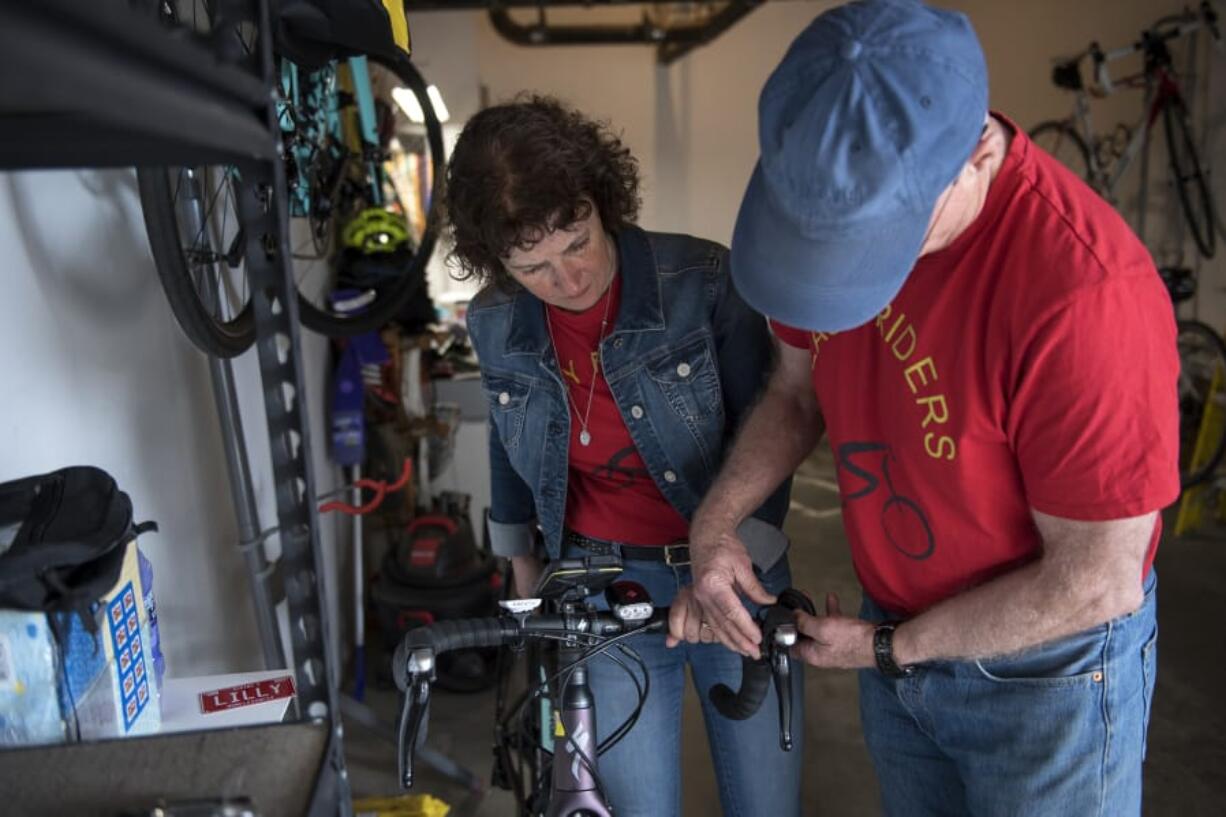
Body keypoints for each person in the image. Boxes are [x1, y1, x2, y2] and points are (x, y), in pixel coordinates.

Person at [668, 1, 1180, 815]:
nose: (850, 271)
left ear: (977, 152)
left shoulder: (1084, 297)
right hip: (895, 636)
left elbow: (1098, 580)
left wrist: (889, 648)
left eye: (878, 242)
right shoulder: (827, 194)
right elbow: (797, 394)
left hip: (1044, 676)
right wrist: (717, 522)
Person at [447, 95, 803, 817]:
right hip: (600, 582)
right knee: (632, 805)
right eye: (533, 266)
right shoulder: (492, 322)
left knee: (765, 802)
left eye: (576, 241)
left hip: (732, 572)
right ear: (496, 261)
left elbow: (772, 430)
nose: (568, 278)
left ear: (599, 201)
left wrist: (733, 572)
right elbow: (508, 446)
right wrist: (520, 566)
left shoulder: (703, 282)